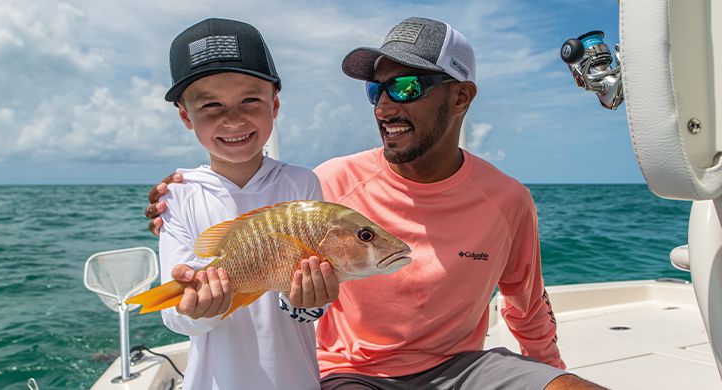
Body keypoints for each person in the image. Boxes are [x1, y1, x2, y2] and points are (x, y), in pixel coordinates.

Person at [147, 17, 605, 390]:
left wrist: (552, 374)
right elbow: (257, 200)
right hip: (354, 373)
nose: (384, 106)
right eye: (376, 90)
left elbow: (526, 305)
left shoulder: (508, 199)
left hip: (465, 367)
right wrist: (180, 197)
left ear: (462, 96)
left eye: (406, 88)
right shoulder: (327, 181)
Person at [150, 18, 339, 390]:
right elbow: (175, 316)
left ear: (275, 104)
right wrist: (196, 310)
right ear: (186, 116)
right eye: (211, 105)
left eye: (250, 100)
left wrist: (310, 299)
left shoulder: (302, 184)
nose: (233, 119)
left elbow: (308, 310)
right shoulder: (179, 194)